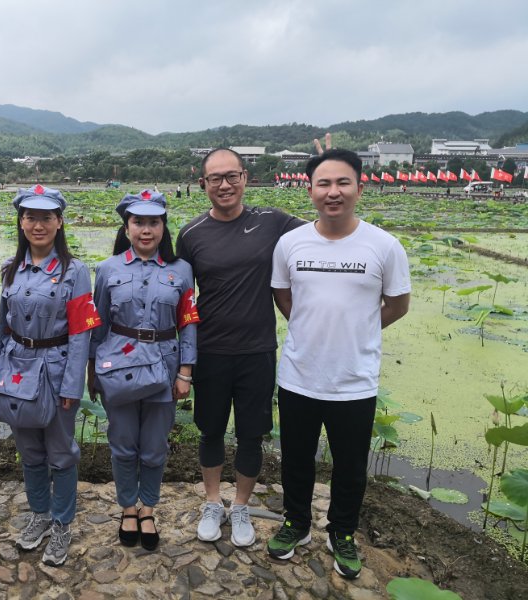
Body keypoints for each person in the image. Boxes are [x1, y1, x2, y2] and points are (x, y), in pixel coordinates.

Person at [266, 149, 410, 579]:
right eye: (324, 183)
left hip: (354, 380)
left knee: (350, 466)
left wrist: (358, 330)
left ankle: (342, 531)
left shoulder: (384, 246)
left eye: (343, 183)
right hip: (299, 376)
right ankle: (296, 523)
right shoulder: (290, 243)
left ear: (359, 188)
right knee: (295, 458)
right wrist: (311, 328)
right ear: (310, 190)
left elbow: (398, 305)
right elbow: (283, 296)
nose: (333, 192)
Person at [176, 148, 302, 547]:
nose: (225, 185)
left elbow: (320, 236)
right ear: (203, 184)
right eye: (215, 178)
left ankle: (242, 506)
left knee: (251, 435)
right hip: (211, 349)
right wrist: (181, 360)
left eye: (232, 176)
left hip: (257, 350)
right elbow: (181, 296)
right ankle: (213, 502)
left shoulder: (273, 221)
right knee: (210, 431)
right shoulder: (191, 234)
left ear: (245, 177)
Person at [0, 184, 101, 567]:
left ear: (59, 222)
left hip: (56, 369)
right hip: (18, 367)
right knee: (30, 451)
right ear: (21, 223)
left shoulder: (75, 272)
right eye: (30, 217)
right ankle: (39, 514)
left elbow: (81, 332)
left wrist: (73, 384)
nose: (38, 225)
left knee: (61, 452)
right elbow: (2, 328)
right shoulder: (11, 268)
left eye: (46, 217)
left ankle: (62, 524)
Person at [88, 190, 199, 551]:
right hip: (118, 364)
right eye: (138, 222)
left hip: (164, 365)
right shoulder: (108, 269)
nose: (146, 230)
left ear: (164, 227)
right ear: (127, 227)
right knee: (122, 445)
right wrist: (92, 370)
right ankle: (127, 509)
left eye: (154, 222)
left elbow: (188, 322)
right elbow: (98, 324)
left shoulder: (182, 270)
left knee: (154, 446)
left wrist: (185, 372)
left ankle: (147, 509)